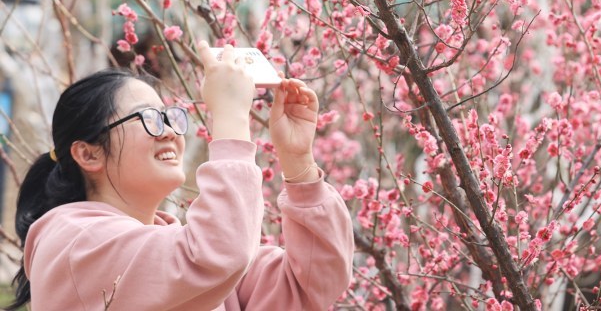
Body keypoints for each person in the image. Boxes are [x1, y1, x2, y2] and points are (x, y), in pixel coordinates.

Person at [6, 41, 354, 310]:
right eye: (148, 118)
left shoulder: (182, 251)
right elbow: (217, 254)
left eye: (171, 117)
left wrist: (299, 163)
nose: (170, 131)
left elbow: (314, 283)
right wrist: (231, 119)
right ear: (88, 153)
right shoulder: (75, 242)